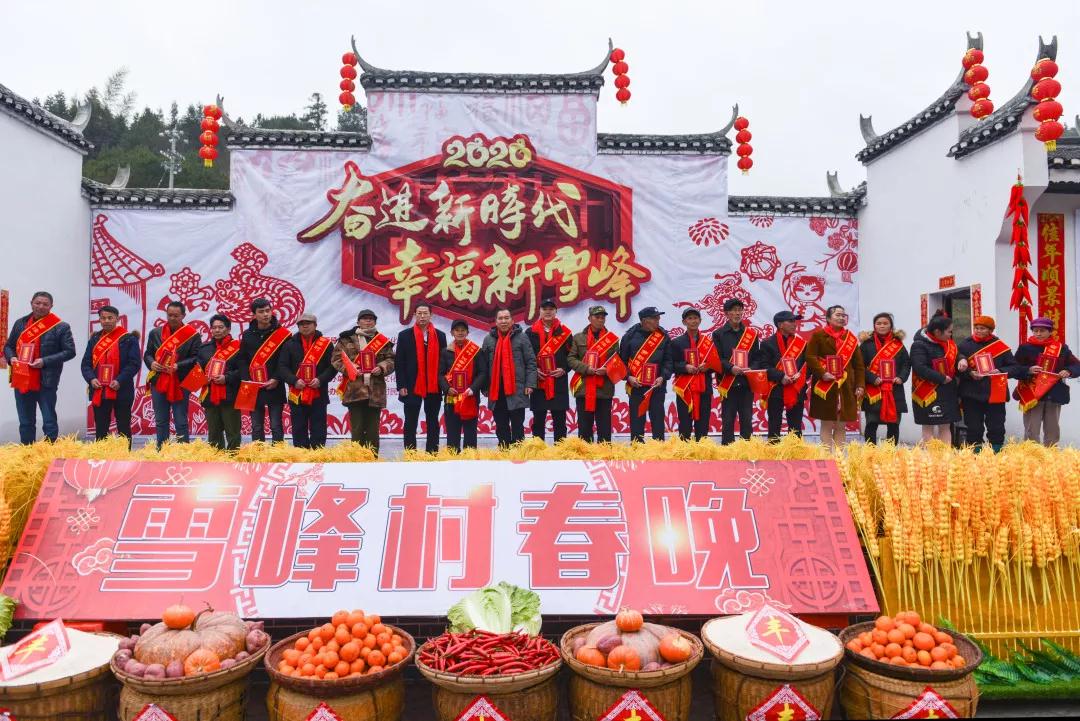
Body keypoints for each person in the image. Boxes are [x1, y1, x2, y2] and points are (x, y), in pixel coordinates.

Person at [3, 291, 76, 444]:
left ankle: (49, 452)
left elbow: (70, 352)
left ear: (51, 306)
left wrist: (44, 361)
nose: (41, 306)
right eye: (37, 303)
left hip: (46, 380)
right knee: (25, 421)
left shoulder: (60, 327)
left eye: (45, 304)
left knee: (49, 420)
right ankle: (27, 451)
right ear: (31, 303)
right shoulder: (20, 323)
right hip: (22, 378)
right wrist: (12, 358)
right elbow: (8, 346)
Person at [957, 315, 1023, 452]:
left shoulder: (1000, 346)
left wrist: (999, 371)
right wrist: (970, 373)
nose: (978, 331)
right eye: (976, 328)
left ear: (990, 330)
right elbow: (955, 368)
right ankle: (975, 454)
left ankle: (996, 453)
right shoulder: (964, 345)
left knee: (996, 426)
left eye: (982, 328)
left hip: (995, 392)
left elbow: (1015, 368)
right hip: (971, 393)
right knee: (973, 426)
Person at [333, 309, 395, 455]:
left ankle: (372, 460)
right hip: (354, 390)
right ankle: (357, 460)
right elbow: (336, 359)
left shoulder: (382, 341)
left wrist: (381, 367)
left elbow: (391, 360)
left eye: (371, 319)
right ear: (358, 322)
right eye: (364, 318)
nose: (368, 321)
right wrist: (350, 368)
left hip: (375, 391)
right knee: (357, 430)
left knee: (373, 431)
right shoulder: (346, 339)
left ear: (375, 322)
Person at [806, 305, 865, 451]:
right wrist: (822, 373)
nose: (841, 318)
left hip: (846, 386)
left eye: (843, 315)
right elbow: (810, 357)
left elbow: (859, 365)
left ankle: (839, 458)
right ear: (828, 318)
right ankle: (827, 457)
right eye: (838, 315)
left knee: (841, 425)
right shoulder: (818, 336)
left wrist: (860, 385)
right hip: (825, 385)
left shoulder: (850, 338)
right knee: (826, 424)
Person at [1014, 316, 1080, 446]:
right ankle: (1031, 455)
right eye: (1035, 331)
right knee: (1031, 430)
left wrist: (1068, 371)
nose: (1038, 334)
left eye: (1042, 331)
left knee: (1052, 431)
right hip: (1032, 394)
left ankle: (1051, 456)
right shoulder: (1025, 348)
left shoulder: (1061, 348)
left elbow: (1077, 365)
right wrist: (1028, 370)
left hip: (1053, 394)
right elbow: (1014, 368)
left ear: (1050, 332)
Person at [143, 300, 200, 447]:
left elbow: (196, 358)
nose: (172, 318)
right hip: (159, 380)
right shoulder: (155, 333)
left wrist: (178, 365)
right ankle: (162, 449)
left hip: (180, 381)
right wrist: (151, 363)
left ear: (183, 315)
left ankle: (183, 450)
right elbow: (148, 354)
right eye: (169, 315)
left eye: (176, 315)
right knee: (161, 419)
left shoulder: (192, 335)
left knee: (181, 419)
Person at [80, 305, 140, 443]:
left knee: (123, 426)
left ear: (117, 319)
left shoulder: (128, 339)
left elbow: (134, 364)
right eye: (103, 318)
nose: (106, 321)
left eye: (110, 318)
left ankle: (124, 454)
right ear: (99, 320)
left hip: (122, 388)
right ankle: (102, 455)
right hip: (99, 389)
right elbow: (86, 364)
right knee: (101, 427)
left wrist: (119, 380)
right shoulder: (95, 339)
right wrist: (91, 379)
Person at [567, 306, 624, 443]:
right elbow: (571, 359)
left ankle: (604, 453)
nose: (600, 320)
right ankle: (585, 454)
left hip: (605, 389)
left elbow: (618, 362)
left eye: (603, 317)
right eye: (597, 317)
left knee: (604, 428)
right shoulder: (578, 338)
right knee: (584, 428)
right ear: (589, 318)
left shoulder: (612, 339)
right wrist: (586, 368)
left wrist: (607, 370)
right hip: (584, 388)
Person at [279, 313, 336, 449]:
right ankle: (301, 455)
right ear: (298, 326)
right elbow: (282, 367)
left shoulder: (326, 344)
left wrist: (320, 380)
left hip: (318, 392)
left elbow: (333, 367)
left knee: (319, 426)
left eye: (308, 323)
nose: (305, 326)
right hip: (297, 392)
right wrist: (294, 380)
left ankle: (317, 455)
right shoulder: (289, 344)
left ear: (315, 325)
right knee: (298, 427)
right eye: (301, 324)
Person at [395, 304, 446, 453]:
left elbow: (443, 362)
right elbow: (399, 362)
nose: (422, 316)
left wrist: (444, 384)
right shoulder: (404, 335)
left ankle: (432, 453)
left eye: (425, 313)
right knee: (410, 421)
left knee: (433, 421)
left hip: (433, 385)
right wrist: (401, 385)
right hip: (411, 385)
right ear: (414, 315)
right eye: (419, 313)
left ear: (431, 315)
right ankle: (411, 454)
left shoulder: (440, 335)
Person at [481, 309, 537, 447]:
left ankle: (518, 454)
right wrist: (485, 387)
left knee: (517, 424)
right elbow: (483, 366)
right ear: (495, 322)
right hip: (496, 389)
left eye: (506, 318)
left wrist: (530, 384)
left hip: (517, 389)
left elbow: (531, 362)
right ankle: (504, 451)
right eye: (500, 318)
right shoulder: (488, 339)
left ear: (512, 320)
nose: (504, 321)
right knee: (501, 425)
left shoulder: (522, 337)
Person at [239, 298, 291, 444]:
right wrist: (247, 379)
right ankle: (258, 453)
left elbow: (285, 361)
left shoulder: (282, 334)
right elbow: (242, 359)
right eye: (261, 312)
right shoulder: (247, 335)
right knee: (256, 426)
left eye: (268, 310)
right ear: (254, 314)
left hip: (275, 384)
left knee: (276, 425)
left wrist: (276, 378)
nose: (265, 314)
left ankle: (278, 453)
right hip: (253, 385)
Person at [910, 310, 964, 444]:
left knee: (945, 426)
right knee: (928, 427)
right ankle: (930, 455)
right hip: (927, 392)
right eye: (949, 332)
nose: (951, 334)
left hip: (948, 390)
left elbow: (957, 354)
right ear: (937, 332)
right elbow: (919, 367)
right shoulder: (919, 345)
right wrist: (941, 378)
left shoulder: (948, 343)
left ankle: (945, 455)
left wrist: (962, 360)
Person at [620, 307, 672, 443]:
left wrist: (663, 377)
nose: (658, 321)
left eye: (658, 318)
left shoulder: (663, 336)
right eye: (655, 318)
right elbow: (621, 363)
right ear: (644, 320)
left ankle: (659, 448)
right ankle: (637, 448)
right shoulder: (629, 337)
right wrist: (628, 377)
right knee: (637, 421)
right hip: (636, 386)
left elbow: (668, 361)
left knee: (658, 420)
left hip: (657, 386)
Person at [755, 310, 808, 442]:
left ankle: (795, 449)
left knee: (796, 426)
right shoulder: (767, 343)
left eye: (795, 321)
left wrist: (800, 375)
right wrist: (781, 377)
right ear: (780, 324)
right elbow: (764, 366)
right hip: (776, 387)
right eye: (791, 321)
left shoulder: (801, 343)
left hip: (796, 387)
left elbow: (808, 365)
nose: (795, 324)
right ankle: (773, 450)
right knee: (774, 423)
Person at [713, 298, 760, 444]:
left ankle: (746, 449)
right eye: (734, 310)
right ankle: (727, 450)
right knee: (728, 419)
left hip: (746, 383)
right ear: (727, 313)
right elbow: (717, 358)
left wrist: (751, 368)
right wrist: (730, 368)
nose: (738, 313)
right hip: (728, 383)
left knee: (747, 418)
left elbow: (757, 358)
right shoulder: (718, 334)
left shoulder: (751, 334)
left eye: (740, 310)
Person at [526, 298, 572, 443]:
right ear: (539, 311)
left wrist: (564, 369)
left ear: (556, 311)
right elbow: (525, 357)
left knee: (560, 421)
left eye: (551, 309)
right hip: (539, 382)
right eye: (544, 309)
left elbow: (572, 356)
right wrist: (534, 371)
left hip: (558, 381)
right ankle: (538, 451)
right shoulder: (530, 332)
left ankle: (561, 451)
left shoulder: (564, 333)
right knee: (538, 421)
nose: (548, 312)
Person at [860, 312, 910, 445]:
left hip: (894, 389)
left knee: (893, 425)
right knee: (871, 423)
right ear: (874, 326)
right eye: (879, 323)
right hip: (873, 390)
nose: (882, 326)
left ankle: (890, 453)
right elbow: (859, 366)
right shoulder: (866, 344)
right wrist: (872, 378)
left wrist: (901, 377)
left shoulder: (898, 344)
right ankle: (870, 452)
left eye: (885, 323)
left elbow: (906, 363)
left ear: (891, 326)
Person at [670, 308, 719, 441]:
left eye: (696, 318)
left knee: (703, 422)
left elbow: (716, 364)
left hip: (704, 388)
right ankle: (684, 450)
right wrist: (685, 367)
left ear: (700, 320)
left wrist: (708, 366)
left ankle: (701, 448)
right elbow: (671, 364)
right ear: (684, 322)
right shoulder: (677, 343)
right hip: (685, 388)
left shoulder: (708, 342)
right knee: (685, 423)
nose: (693, 321)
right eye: (690, 318)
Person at [440, 319, 487, 452]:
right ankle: (453, 458)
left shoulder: (476, 351)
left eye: (463, 330)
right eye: (457, 330)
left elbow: (483, 372)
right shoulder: (445, 352)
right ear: (452, 333)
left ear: (467, 332)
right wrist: (447, 388)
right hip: (451, 398)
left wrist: (472, 389)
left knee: (470, 432)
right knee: (452, 432)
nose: (460, 333)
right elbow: (439, 374)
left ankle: (469, 458)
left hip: (470, 396)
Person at [197, 314, 243, 450]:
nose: (217, 330)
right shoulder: (204, 349)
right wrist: (202, 377)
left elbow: (243, 371)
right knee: (214, 433)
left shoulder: (239, 347)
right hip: (210, 395)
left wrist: (226, 378)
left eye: (221, 327)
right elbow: (197, 370)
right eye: (214, 327)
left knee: (233, 432)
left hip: (230, 395)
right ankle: (216, 458)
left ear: (228, 329)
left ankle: (233, 457)